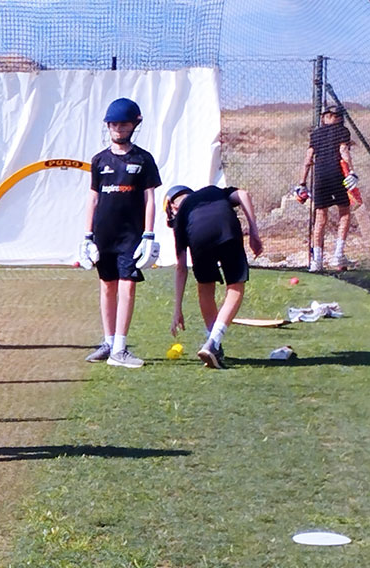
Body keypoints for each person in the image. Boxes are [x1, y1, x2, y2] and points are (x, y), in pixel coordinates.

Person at [79, 97, 162, 368]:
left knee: (128, 285)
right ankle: (109, 342)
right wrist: (87, 236)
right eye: (113, 124)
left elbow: (150, 199)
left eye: (123, 124)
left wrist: (149, 234)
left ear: (134, 125)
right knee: (107, 286)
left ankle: (120, 348)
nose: (118, 128)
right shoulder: (99, 160)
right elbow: (93, 198)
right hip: (104, 234)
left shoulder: (143, 159)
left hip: (131, 235)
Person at [166, 184, 263, 369]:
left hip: (198, 236)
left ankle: (213, 342)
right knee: (235, 285)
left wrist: (177, 309)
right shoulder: (214, 191)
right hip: (226, 228)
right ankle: (214, 342)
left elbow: (181, 268)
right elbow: (243, 194)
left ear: (173, 206)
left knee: (205, 287)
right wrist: (253, 231)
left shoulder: (181, 216)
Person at [297, 104, 357, 272]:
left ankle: (317, 261)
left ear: (324, 117)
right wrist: (351, 172)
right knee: (344, 213)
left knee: (320, 218)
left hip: (320, 176)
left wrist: (301, 183)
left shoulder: (315, 134)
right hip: (338, 175)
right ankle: (338, 255)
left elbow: (308, 159)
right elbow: (343, 151)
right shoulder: (342, 131)